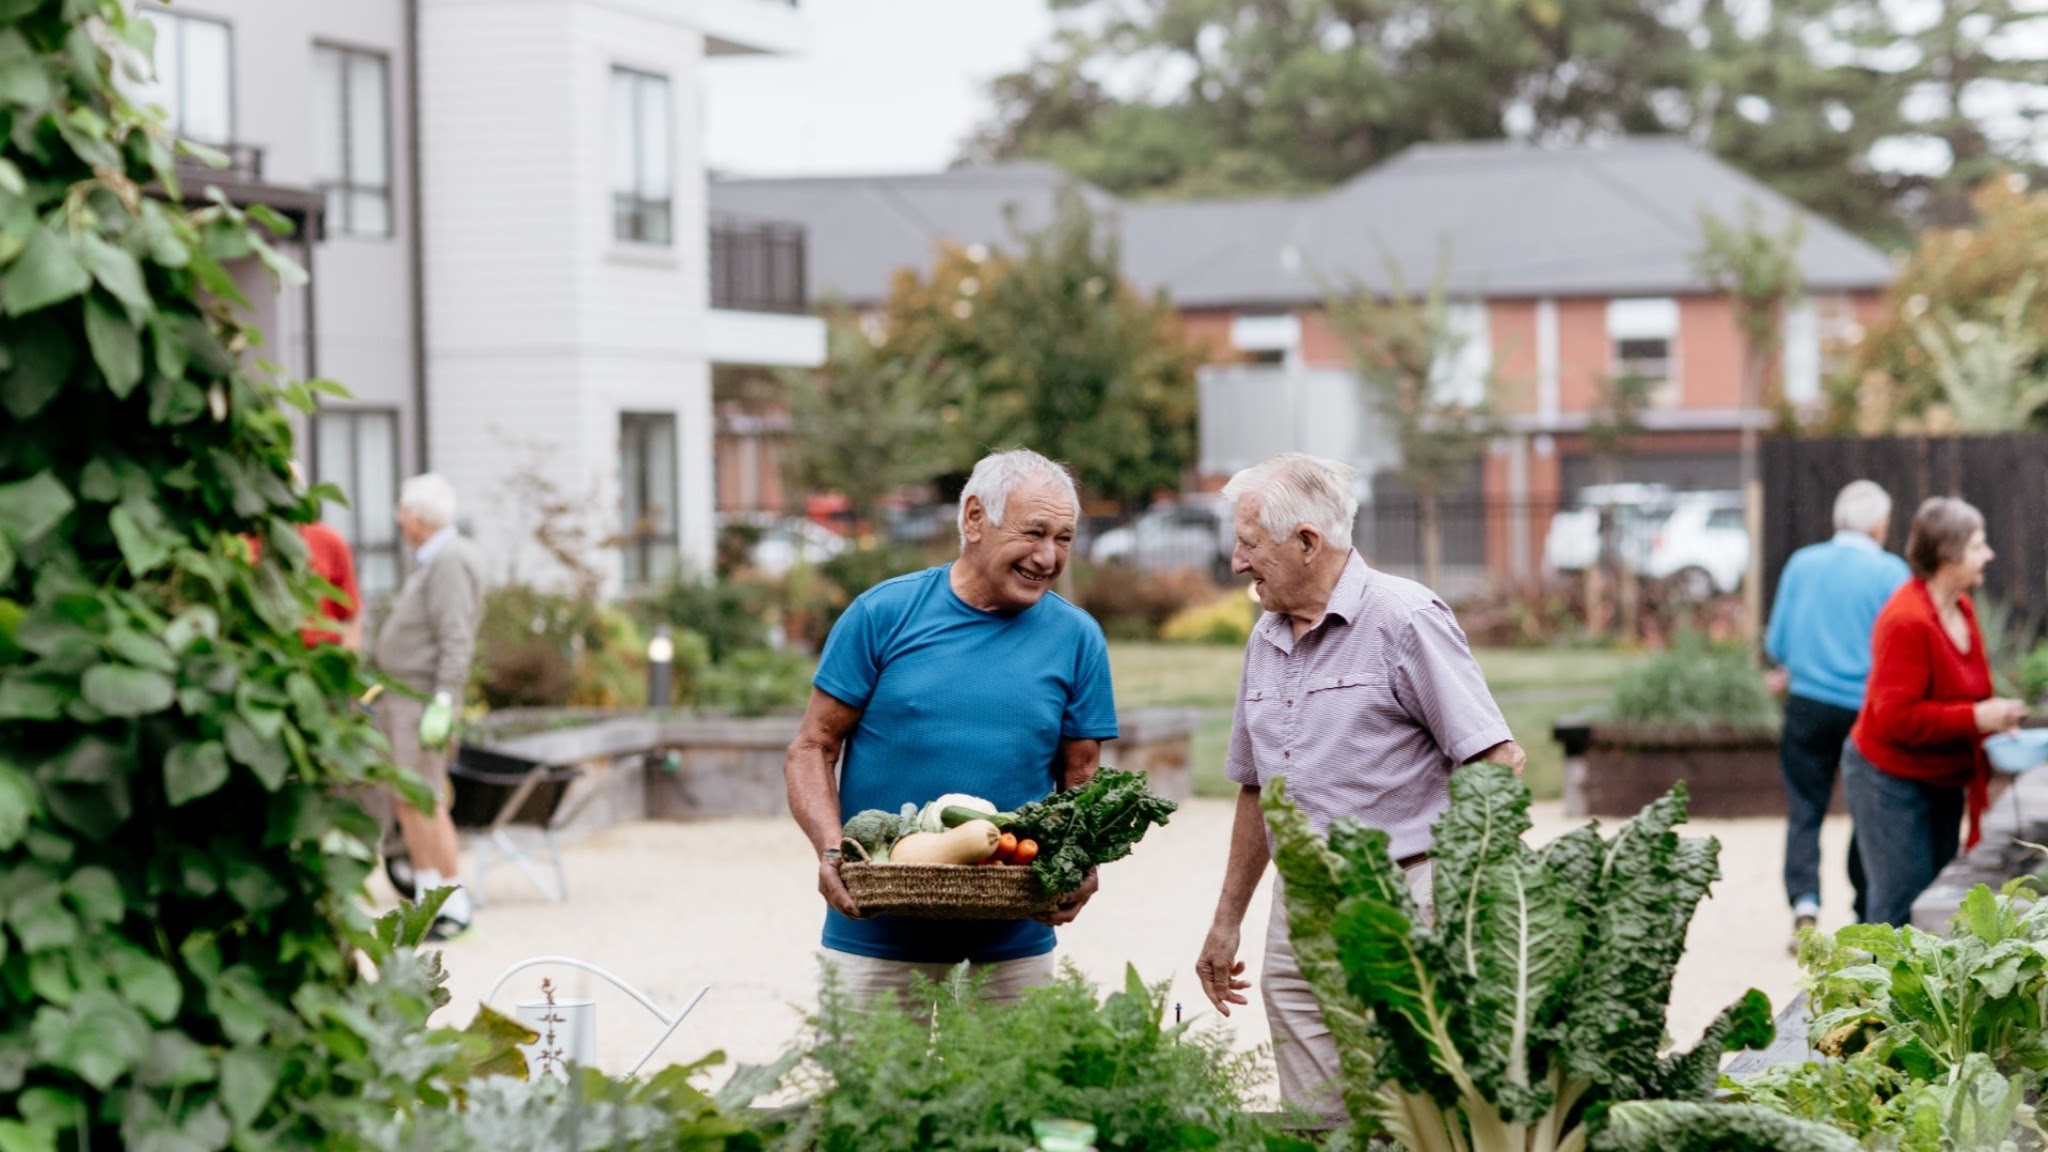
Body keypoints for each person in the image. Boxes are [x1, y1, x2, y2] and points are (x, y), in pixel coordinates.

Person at [1194, 453, 1524, 1127]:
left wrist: (1453, 899)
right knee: (1319, 1119)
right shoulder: (1265, 639)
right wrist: (1228, 921)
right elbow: (1258, 790)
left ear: (1308, 543)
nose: (1236, 562)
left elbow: (1497, 759)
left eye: (1250, 545)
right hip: (1300, 907)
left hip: (1406, 898)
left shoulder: (1404, 619)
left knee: (1412, 1112)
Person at [784, 448, 1118, 1005]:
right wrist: (828, 849)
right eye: (1034, 532)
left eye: (1063, 538)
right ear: (973, 519)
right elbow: (812, 746)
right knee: (872, 1095)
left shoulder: (1078, 638)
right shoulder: (882, 615)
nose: (1047, 555)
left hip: (1013, 940)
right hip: (873, 932)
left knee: (1011, 1096)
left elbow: (1081, 775)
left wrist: (1081, 861)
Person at [1843, 497, 2028, 928]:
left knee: (1934, 897)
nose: (1989, 555)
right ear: (1948, 554)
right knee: (1899, 906)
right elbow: (1895, 717)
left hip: (1940, 777)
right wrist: (1977, 718)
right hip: (1888, 778)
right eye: (1979, 546)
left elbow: (1970, 694)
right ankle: (1872, 994)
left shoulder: (1961, 607)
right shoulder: (1907, 620)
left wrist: (1996, 724)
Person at [1762, 480, 1909, 943]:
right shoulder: (1891, 573)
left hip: (1807, 706)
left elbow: (1776, 644)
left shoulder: (1801, 565)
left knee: (1805, 807)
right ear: (1879, 526)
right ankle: (1865, 910)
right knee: (1867, 810)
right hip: (1866, 711)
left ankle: (1805, 903)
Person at [371, 473, 488, 941]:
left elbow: (455, 636)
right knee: (412, 798)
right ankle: (429, 898)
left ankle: (450, 904)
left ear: (418, 518)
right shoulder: (436, 559)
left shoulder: (449, 561)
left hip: (421, 701)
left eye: (403, 511)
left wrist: (444, 697)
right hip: (407, 699)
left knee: (423, 798)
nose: (399, 520)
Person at [298, 518, 363, 650]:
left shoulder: (328, 540)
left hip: (323, 652)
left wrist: (348, 659)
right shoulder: (249, 540)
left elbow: (351, 614)